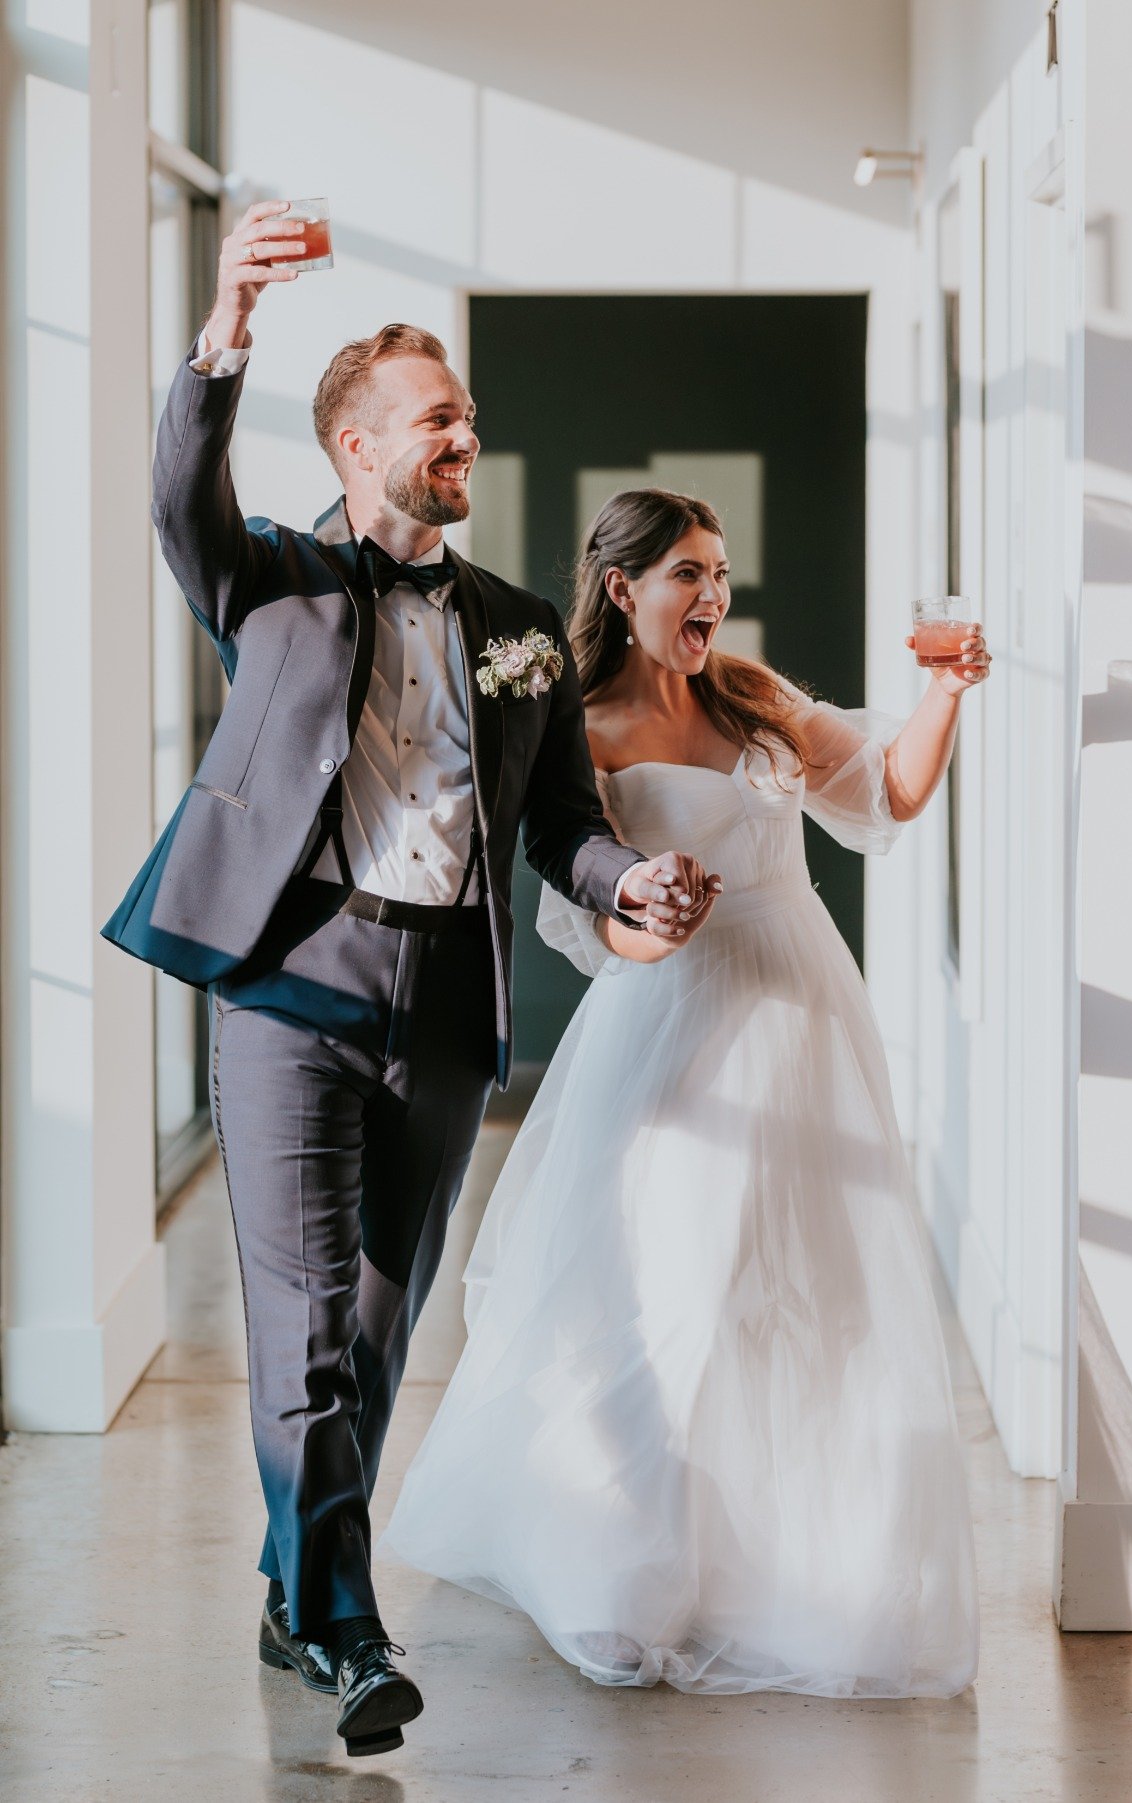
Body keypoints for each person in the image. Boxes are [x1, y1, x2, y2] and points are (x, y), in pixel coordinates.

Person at [101, 205, 709, 1758]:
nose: (469, 434)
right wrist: (226, 319)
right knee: (304, 1323)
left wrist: (623, 879)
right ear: (360, 445)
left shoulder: (513, 630)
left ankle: (290, 1579)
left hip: (443, 1006)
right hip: (288, 990)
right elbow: (181, 498)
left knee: (377, 1327)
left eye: (468, 416)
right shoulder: (272, 580)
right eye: (441, 417)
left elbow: (564, 829)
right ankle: (351, 1629)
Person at [385, 487, 987, 1699]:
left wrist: (950, 691)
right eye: (688, 576)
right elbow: (594, 928)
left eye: (719, 573)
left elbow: (888, 795)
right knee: (666, 1295)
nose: (713, 595)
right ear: (624, 589)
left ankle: (794, 1569)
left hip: (804, 1009)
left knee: (807, 1293)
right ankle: (628, 1576)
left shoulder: (751, 692)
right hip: (668, 1029)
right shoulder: (584, 727)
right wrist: (659, 918)